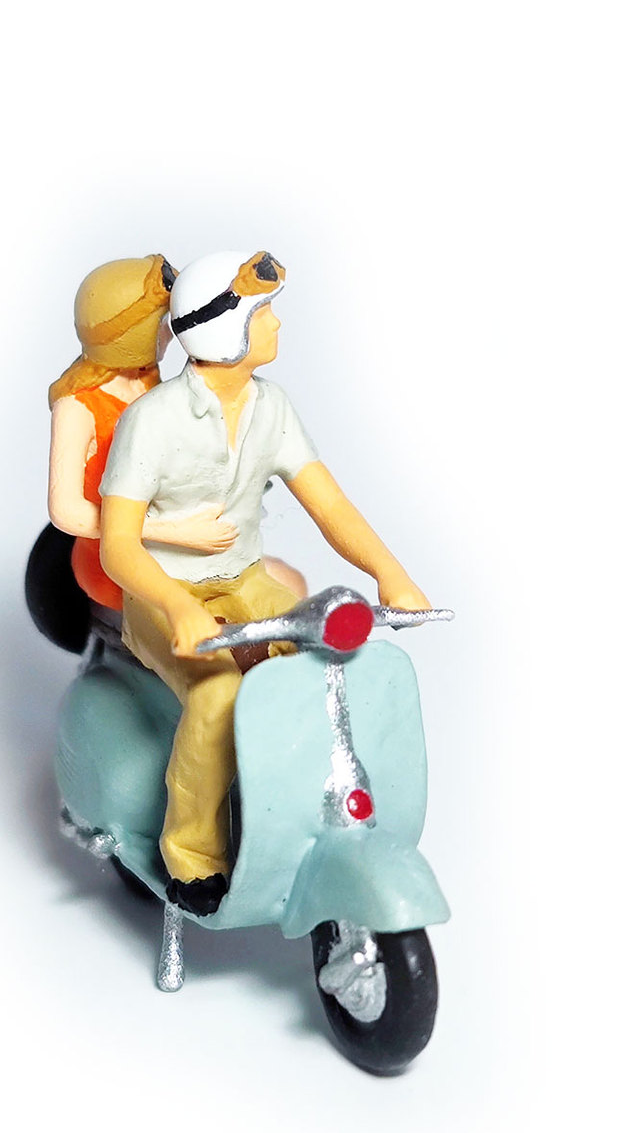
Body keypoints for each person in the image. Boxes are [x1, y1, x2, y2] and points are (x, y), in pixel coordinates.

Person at [97, 250, 429, 915]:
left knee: (322, 660)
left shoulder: (271, 407)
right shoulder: (152, 421)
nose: (276, 324)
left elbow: (329, 506)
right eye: (264, 313)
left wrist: (388, 571)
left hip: (246, 580)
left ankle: (300, 809)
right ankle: (193, 856)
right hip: (164, 591)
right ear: (228, 330)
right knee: (217, 694)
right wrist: (177, 607)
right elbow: (118, 546)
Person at [47, 255, 304, 609]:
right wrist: (178, 532)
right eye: (162, 323)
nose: (171, 332)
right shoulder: (78, 407)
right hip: (121, 558)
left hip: (183, 545)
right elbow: (66, 512)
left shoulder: (150, 383)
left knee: (290, 584)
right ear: (135, 333)